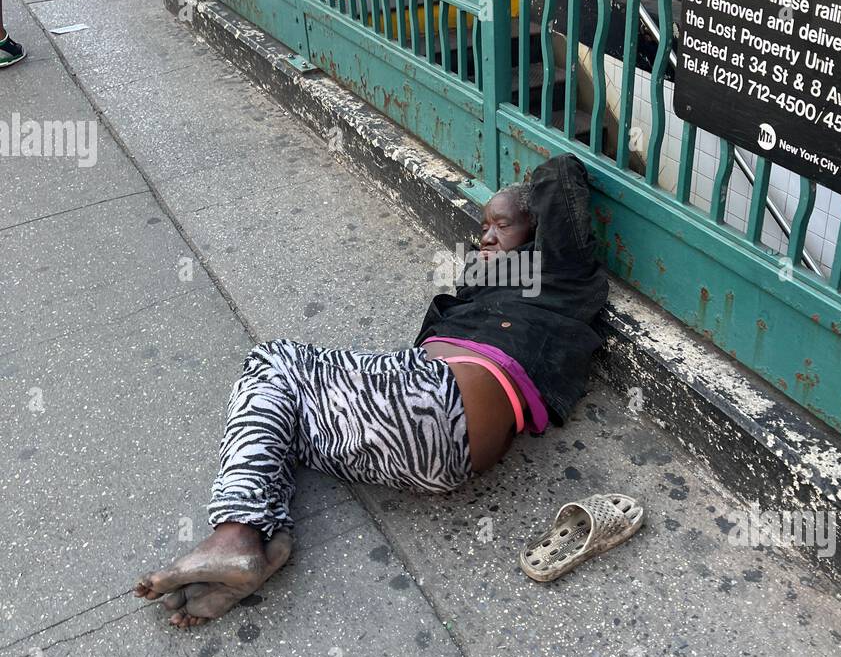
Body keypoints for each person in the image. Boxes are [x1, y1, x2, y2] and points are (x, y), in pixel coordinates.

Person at [134, 155, 608, 627]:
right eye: (482, 226)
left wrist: (523, 187)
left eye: (501, 225)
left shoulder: (558, 272)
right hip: (429, 458)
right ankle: (261, 538)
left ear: (538, 231)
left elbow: (560, 173)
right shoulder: (484, 288)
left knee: (272, 361)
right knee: (287, 424)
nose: (484, 237)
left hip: (438, 401)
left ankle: (237, 532)